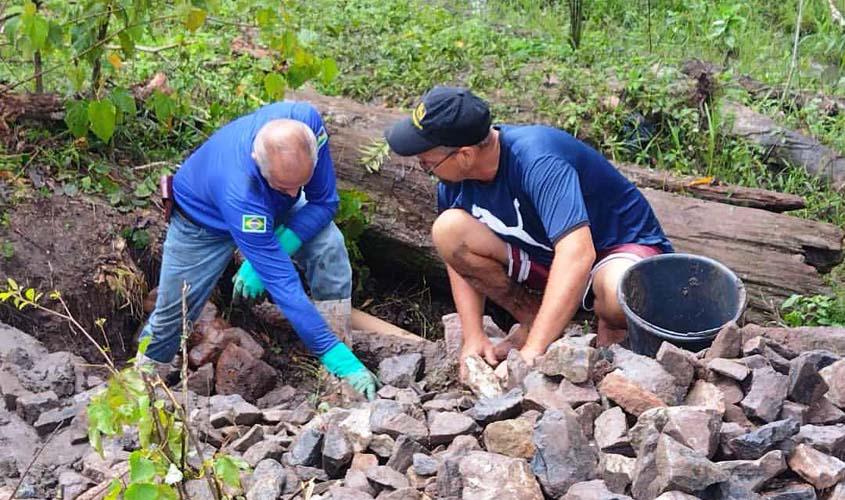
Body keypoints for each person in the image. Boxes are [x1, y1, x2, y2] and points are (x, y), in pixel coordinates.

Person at [384, 87, 673, 376]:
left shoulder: (537, 160)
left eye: (427, 162)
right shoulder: (454, 182)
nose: (425, 167)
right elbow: (457, 260)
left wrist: (533, 352)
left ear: (465, 155)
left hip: (614, 250)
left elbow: (578, 254)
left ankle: (608, 327)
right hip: (547, 255)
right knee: (448, 230)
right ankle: (534, 319)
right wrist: (473, 336)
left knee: (619, 293)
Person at [138, 101, 378, 399]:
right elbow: (285, 286)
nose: (294, 193)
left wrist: (279, 243)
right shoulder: (240, 190)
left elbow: (324, 202)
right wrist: (264, 258)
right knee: (173, 315)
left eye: (300, 184)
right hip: (202, 223)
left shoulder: (307, 123)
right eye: (284, 185)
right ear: (257, 160)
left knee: (329, 245)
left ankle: (339, 377)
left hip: (271, 205)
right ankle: (141, 389)